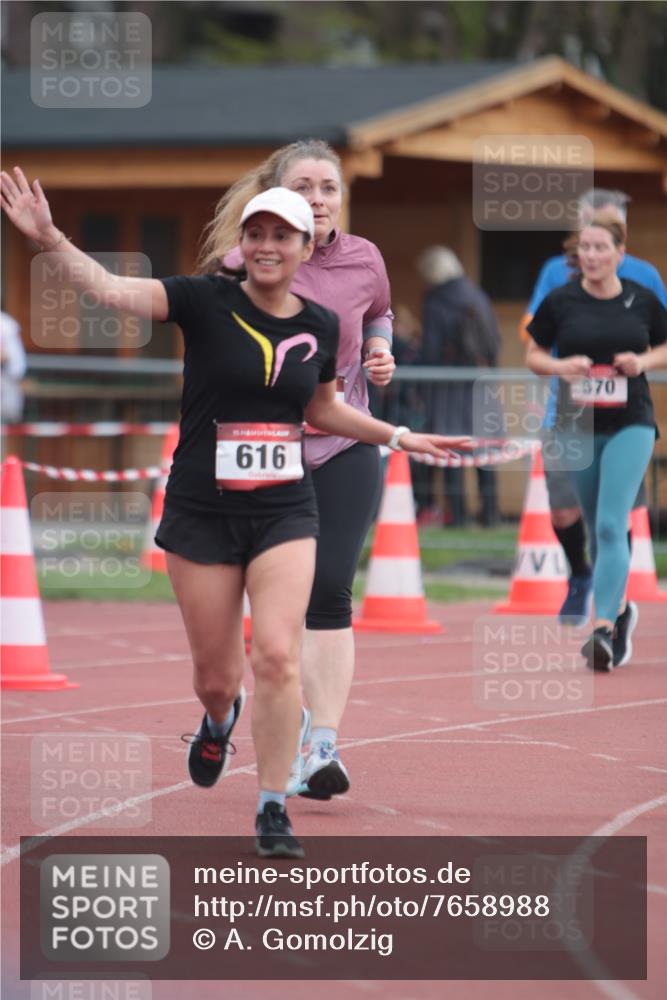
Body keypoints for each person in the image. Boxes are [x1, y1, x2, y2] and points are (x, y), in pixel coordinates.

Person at [1, 167, 469, 856]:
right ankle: (220, 719)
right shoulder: (200, 299)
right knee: (217, 676)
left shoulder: (318, 323)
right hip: (201, 508)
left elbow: (324, 410)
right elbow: (112, 289)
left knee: (277, 654)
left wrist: (398, 435)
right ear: (241, 244)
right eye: (257, 233)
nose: (269, 244)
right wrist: (50, 241)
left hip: (284, 508)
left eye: (284, 234)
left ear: (307, 248)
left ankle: (272, 803)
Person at [203, 139, 397, 801]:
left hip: (344, 445)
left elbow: (379, 313)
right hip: (268, 447)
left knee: (332, 588)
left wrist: (377, 350)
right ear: (276, 194)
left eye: (327, 188)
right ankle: (237, 709)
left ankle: (320, 746)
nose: (317, 200)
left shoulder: (363, 258)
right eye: (304, 187)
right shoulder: (245, 261)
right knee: (265, 610)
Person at [526, 212, 667, 671]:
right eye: (583, 248)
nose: (591, 255)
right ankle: (622, 608)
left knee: (610, 524)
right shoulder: (560, 301)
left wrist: (641, 360)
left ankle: (602, 628)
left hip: (632, 421)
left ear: (619, 254)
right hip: (576, 424)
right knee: (593, 525)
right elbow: (533, 353)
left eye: (600, 248)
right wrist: (560, 367)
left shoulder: (642, 300)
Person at [418, 246, 501, 527]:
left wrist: (421, 378)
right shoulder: (477, 295)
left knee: (452, 446)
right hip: (480, 379)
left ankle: (459, 515)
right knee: (485, 449)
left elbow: (431, 349)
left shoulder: (436, 300)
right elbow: (495, 341)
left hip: (448, 382)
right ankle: (490, 514)